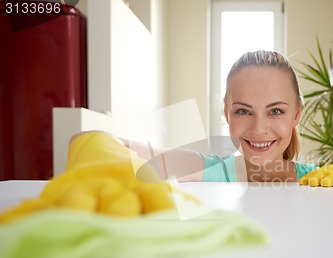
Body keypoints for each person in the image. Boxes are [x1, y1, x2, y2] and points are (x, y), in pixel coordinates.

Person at [74, 51, 317, 183]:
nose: (259, 128)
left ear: (296, 114)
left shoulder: (322, 180)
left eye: (276, 111)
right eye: (243, 111)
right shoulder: (211, 170)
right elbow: (85, 138)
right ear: (227, 114)